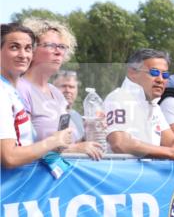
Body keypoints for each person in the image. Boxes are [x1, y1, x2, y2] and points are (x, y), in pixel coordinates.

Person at [17, 19, 102, 159]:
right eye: (50, 45)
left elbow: (66, 144)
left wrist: (92, 130)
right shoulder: (19, 89)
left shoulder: (56, 93)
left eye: (62, 47)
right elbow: (18, 148)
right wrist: (72, 150)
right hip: (32, 177)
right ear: (31, 48)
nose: (58, 52)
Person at [103, 49, 174, 162]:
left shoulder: (154, 105)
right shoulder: (119, 98)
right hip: (122, 176)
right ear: (132, 73)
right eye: (154, 72)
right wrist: (171, 153)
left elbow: (171, 142)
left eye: (165, 75)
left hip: (145, 176)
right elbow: (120, 143)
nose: (160, 79)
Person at [1, 23, 74, 168]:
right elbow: (9, 157)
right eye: (14, 47)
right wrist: (53, 142)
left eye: (28, 48)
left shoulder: (10, 91)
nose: (23, 55)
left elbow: (25, 147)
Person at [52, 70, 84, 141]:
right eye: (63, 86)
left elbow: (78, 143)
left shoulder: (76, 116)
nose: (68, 90)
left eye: (72, 87)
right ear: (53, 89)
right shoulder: (49, 114)